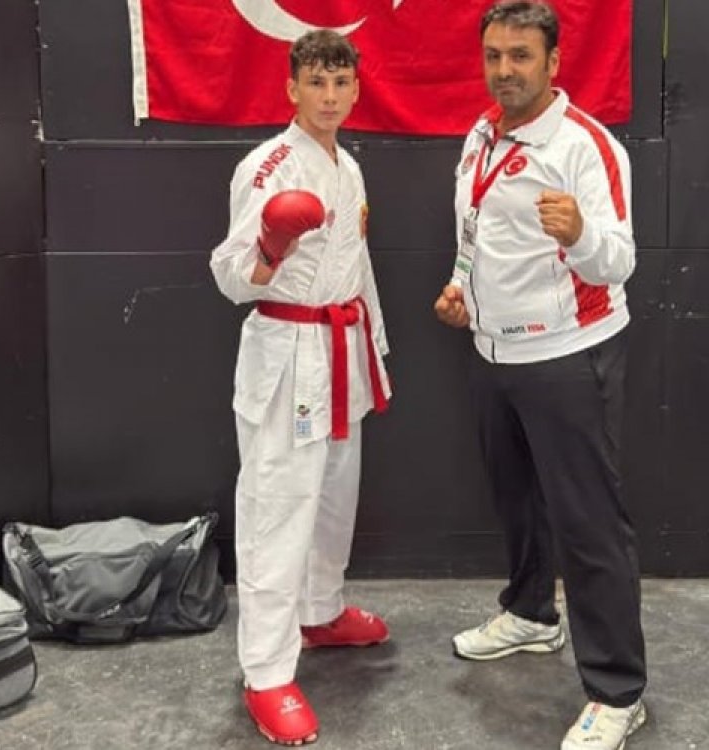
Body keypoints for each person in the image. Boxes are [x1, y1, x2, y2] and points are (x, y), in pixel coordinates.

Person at [432, 3, 646, 749]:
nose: (505, 70)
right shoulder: (481, 135)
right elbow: (474, 229)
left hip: (568, 354)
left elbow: (620, 261)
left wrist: (581, 234)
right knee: (517, 501)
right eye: (494, 55)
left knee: (589, 526)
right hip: (493, 351)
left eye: (521, 55)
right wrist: (461, 286)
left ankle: (618, 692)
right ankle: (530, 614)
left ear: (553, 62)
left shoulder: (585, 145)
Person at [210, 29, 393, 747]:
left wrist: (375, 352)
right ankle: (265, 671)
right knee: (278, 508)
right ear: (292, 88)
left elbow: (359, 268)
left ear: (355, 90)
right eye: (316, 82)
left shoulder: (350, 169)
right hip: (287, 353)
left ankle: (320, 610)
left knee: (335, 496)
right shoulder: (268, 166)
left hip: (343, 347)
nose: (329, 96)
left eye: (340, 83)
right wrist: (269, 246)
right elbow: (229, 276)